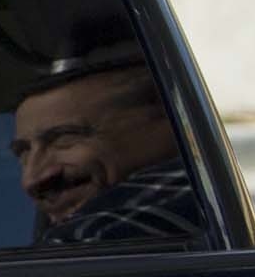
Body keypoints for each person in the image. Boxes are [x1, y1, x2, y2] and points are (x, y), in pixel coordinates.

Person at [12, 53, 217, 247]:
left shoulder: (102, 234)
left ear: (172, 123)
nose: (31, 180)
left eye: (65, 137)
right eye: (24, 153)